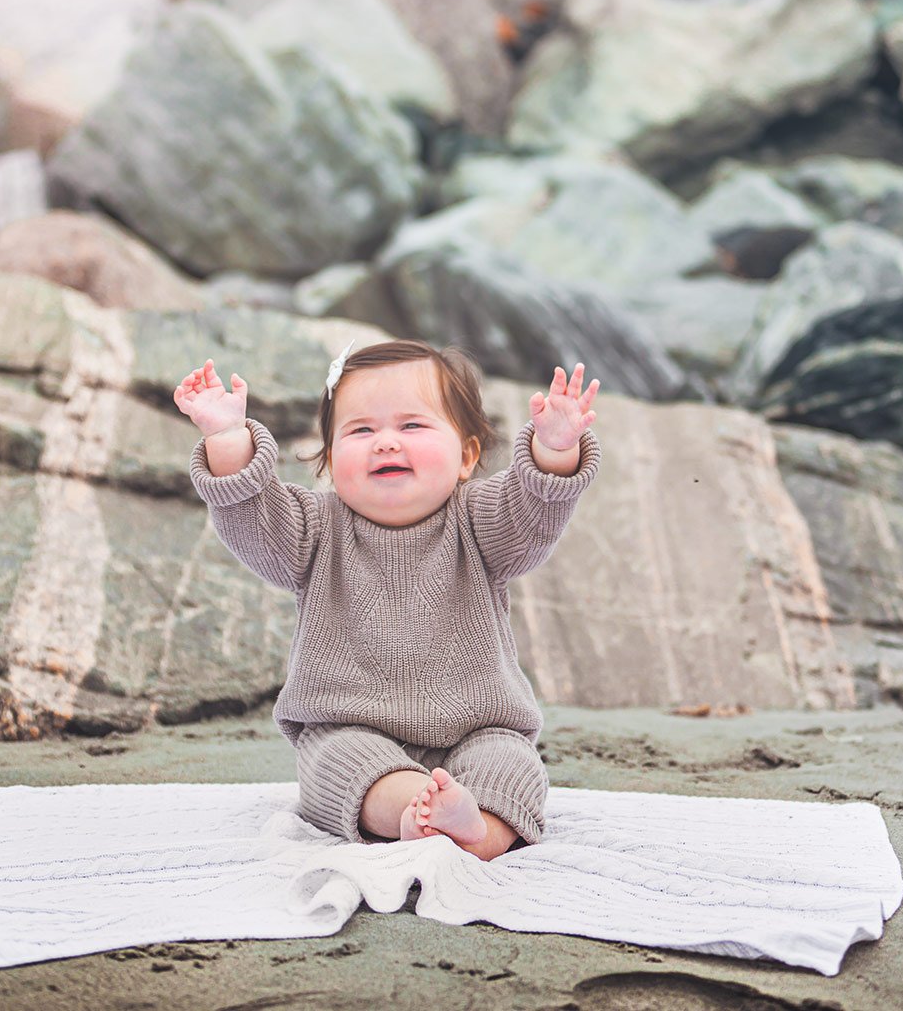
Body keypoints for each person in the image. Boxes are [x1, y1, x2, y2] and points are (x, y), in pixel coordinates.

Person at [176, 339, 601, 861]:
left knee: (511, 764)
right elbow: (251, 513)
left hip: (478, 726)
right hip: (350, 726)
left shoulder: (481, 519)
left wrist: (555, 448)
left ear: (466, 455)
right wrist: (226, 437)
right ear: (331, 462)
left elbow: (532, 508)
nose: (385, 442)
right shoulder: (313, 529)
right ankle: (414, 813)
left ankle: (477, 828)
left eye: (412, 426)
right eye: (360, 430)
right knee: (339, 764)